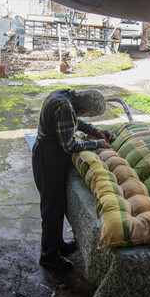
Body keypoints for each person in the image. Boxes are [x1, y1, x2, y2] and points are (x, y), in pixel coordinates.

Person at [32, 89, 114, 270]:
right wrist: (96, 144)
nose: (85, 116)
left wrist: (95, 131)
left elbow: (73, 122)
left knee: (57, 205)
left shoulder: (65, 96)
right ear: (84, 109)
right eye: (89, 115)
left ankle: (57, 245)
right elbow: (69, 145)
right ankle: (49, 256)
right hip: (48, 159)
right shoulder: (64, 107)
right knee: (51, 209)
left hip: (49, 154)